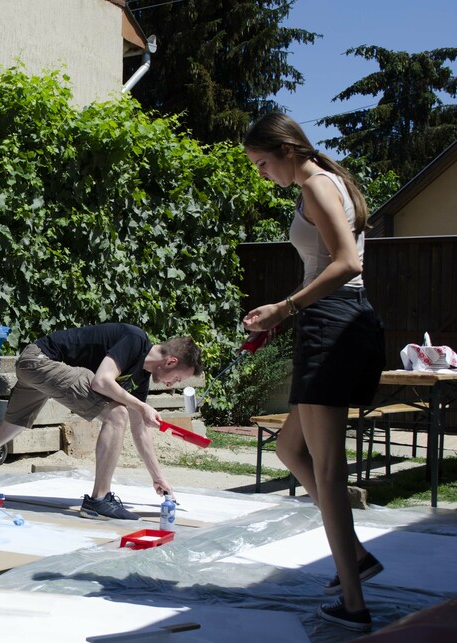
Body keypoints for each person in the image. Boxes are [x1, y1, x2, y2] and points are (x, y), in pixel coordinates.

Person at [242, 112, 385, 632]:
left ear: (286, 149)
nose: (262, 175)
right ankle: (358, 556)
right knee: (287, 448)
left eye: (262, 163)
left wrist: (285, 308)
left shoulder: (318, 185)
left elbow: (348, 262)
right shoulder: (329, 180)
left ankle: (353, 602)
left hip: (333, 325)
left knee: (327, 468)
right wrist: (286, 315)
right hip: (335, 320)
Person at [0, 323, 201, 520]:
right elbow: (102, 382)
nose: (173, 384)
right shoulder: (135, 340)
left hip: (35, 365)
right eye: (178, 378)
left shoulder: (140, 377)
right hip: (40, 360)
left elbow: (140, 430)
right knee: (117, 414)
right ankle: (98, 501)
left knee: (11, 427)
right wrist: (140, 406)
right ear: (171, 362)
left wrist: (157, 477)